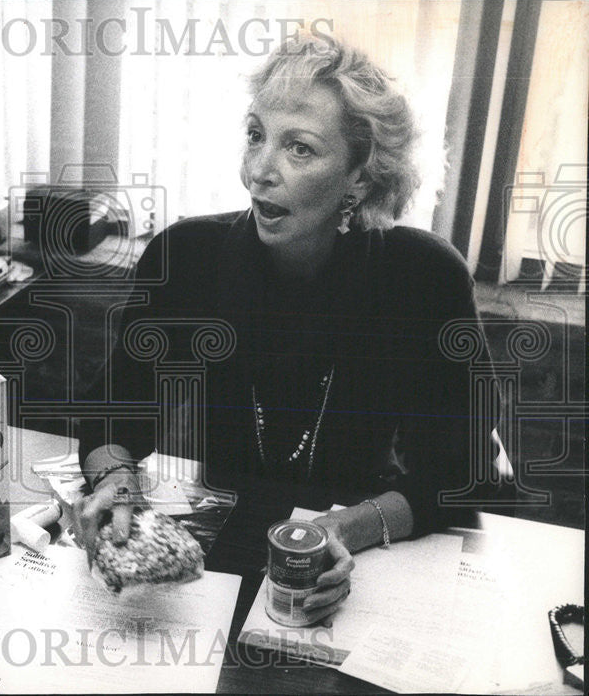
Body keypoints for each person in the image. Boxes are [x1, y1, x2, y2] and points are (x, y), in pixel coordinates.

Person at [73, 33, 500, 623]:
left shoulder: (425, 276)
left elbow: (463, 476)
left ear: (359, 178)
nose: (258, 171)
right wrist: (116, 481)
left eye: (299, 149)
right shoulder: (187, 255)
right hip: (207, 569)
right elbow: (108, 419)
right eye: (256, 135)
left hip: (361, 559)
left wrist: (345, 528)